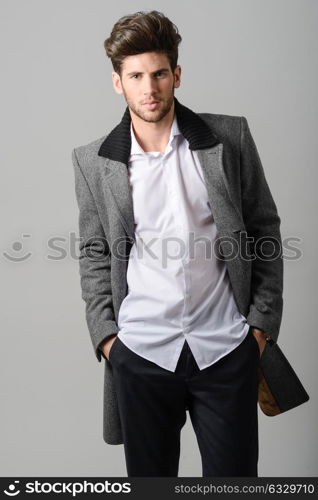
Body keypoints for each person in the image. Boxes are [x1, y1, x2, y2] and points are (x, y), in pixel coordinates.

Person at [72, 10, 283, 477]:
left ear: (176, 75)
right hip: (142, 352)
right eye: (136, 76)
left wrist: (261, 326)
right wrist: (108, 339)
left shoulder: (229, 137)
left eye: (159, 73)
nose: (149, 88)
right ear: (118, 83)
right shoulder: (92, 162)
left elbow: (264, 228)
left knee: (233, 486)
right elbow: (93, 252)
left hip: (226, 348)